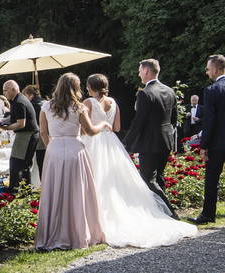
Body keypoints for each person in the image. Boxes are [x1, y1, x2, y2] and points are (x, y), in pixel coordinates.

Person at [82, 74, 196, 247]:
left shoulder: (88, 102)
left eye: (87, 85)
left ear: (91, 87)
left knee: (95, 178)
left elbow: (86, 128)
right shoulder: (113, 102)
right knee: (115, 180)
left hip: (93, 142)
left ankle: (95, 218)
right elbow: (117, 127)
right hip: (111, 142)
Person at [35, 72, 108, 250]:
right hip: (76, 149)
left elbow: (43, 132)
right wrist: (103, 124)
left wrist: (52, 146)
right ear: (75, 87)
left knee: (54, 191)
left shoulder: (46, 106)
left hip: (54, 150)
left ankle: (52, 233)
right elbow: (90, 131)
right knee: (78, 193)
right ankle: (78, 232)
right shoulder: (79, 107)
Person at [123, 59, 179, 219]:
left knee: (148, 179)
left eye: (140, 70)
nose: (138, 73)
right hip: (166, 141)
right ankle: (160, 213)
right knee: (158, 178)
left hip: (149, 144)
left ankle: (172, 214)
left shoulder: (144, 93)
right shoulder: (169, 90)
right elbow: (174, 119)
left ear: (146, 71)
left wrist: (125, 143)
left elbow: (138, 122)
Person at [193, 54, 225, 224]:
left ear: (216, 69)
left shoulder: (212, 90)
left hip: (218, 143)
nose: (207, 72)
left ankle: (208, 214)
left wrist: (203, 145)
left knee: (212, 180)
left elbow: (210, 120)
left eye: (208, 68)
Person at [0, 80, 39, 192]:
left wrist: (7, 128)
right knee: (23, 165)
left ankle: (14, 191)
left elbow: (21, 123)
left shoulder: (19, 102)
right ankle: (25, 191)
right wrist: (3, 121)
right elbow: (15, 117)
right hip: (28, 134)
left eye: (5, 90)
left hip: (27, 135)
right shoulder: (17, 100)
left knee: (16, 163)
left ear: (14, 89)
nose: (4, 93)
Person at [22, 84, 46, 177]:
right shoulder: (46, 102)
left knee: (40, 163)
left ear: (30, 95)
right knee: (44, 164)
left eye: (25, 96)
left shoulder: (33, 106)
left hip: (39, 137)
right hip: (50, 135)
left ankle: (42, 186)